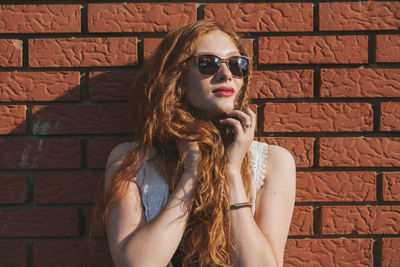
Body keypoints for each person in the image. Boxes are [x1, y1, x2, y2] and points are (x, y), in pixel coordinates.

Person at [90, 20, 296, 267]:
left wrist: (231, 171)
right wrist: (191, 174)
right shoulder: (132, 160)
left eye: (236, 64)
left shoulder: (272, 162)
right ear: (177, 75)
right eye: (208, 63)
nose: (226, 74)